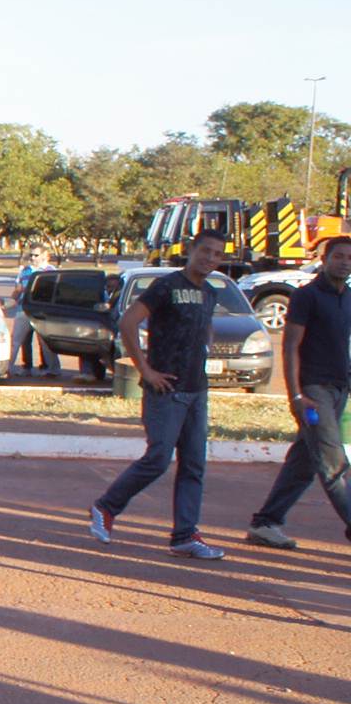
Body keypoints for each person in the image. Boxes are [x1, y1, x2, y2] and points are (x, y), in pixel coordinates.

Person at [88, 230, 228, 560]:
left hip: (197, 391)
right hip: (166, 391)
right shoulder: (168, 286)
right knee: (158, 459)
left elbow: (204, 329)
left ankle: (184, 535)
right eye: (205, 251)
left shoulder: (209, 292)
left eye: (218, 254)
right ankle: (106, 508)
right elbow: (128, 322)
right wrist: (146, 370)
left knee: (194, 464)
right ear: (191, 251)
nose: (210, 258)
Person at [245, 233, 351, 547]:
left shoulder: (346, 296)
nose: (344, 263)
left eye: (349, 258)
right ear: (324, 259)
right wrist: (295, 395)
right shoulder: (307, 296)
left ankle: (266, 522)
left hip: (338, 389)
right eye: (338, 257)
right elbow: (290, 347)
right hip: (313, 391)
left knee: (304, 462)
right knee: (333, 463)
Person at [10, 245, 58, 375]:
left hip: (42, 311)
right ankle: (14, 367)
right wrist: (11, 301)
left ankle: (51, 369)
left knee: (45, 342)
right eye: (31, 255)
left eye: (36, 255)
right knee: (18, 340)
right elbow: (18, 289)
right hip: (23, 309)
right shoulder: (25, 271)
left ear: (44, 255)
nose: (32, 258)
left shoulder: (51, 270)